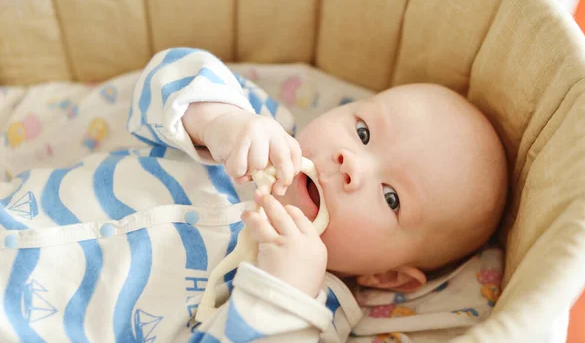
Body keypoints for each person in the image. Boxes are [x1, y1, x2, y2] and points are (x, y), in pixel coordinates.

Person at [0, 48, 507, 342]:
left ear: (388, 275)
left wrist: (282, 289)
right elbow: (168, 76)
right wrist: (220, 120)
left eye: (392, 197)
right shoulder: (257, 125)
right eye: (364, 133)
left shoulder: (312, 309)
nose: (353, 165)